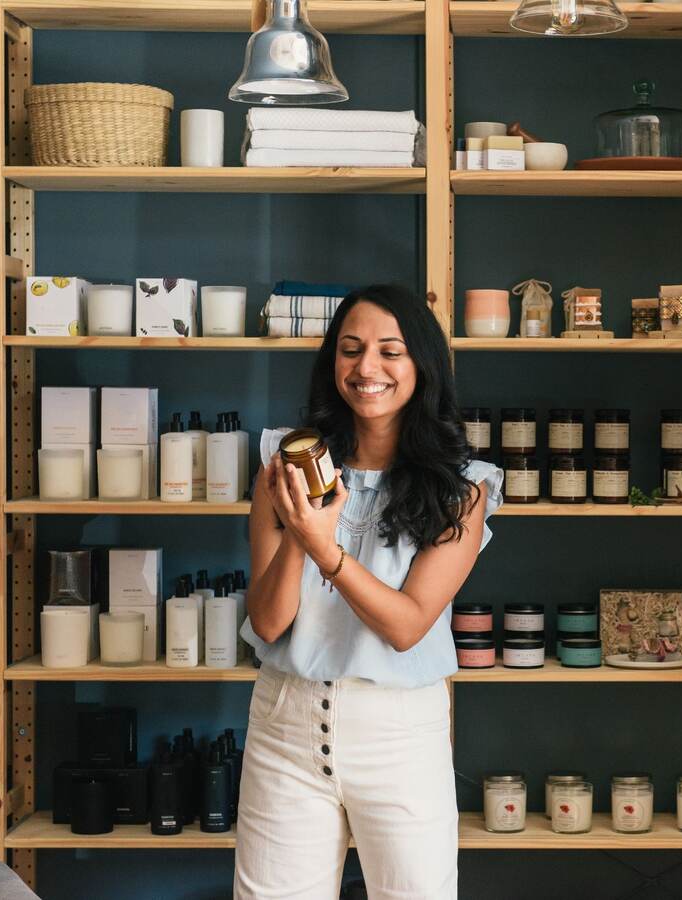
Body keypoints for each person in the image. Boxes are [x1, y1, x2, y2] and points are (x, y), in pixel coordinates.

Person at [233, 284, 502, 900]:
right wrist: (302, 529)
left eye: (390, 351)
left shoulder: (463, 489)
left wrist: (324, 545)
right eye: (350, 349)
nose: (367, 368)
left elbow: (406, 626)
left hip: (400, 734)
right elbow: (270, 623)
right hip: (286, 725)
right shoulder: (284, 462)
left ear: (422, 366)